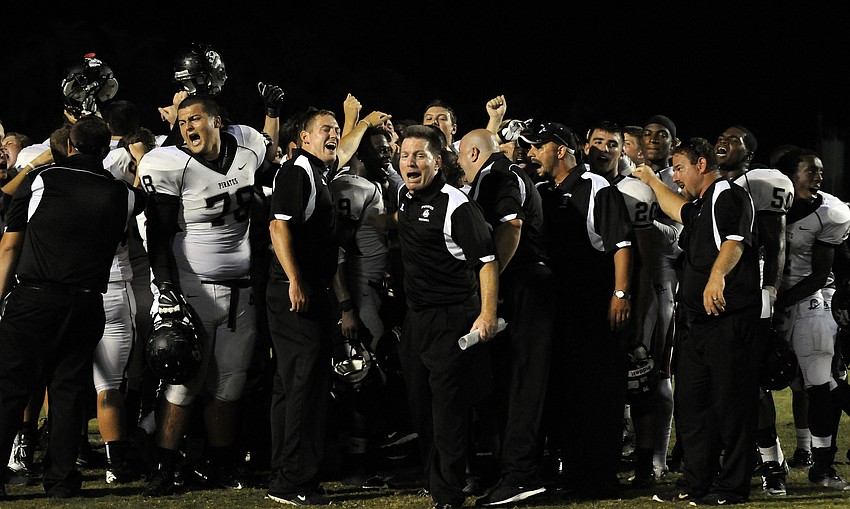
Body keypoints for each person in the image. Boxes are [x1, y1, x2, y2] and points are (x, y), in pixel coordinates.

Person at [138, 93, 276, 496]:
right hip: (192, 289)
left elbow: (268, 180)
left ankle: (223, 465)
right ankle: (164, 466)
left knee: (229, 385)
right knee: (183, 384)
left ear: (218, 120)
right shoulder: (170, 164)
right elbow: (158, 235)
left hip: (242, 291)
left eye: (195, 119)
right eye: (182, 123)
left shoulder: (248, 144)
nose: (187, 129)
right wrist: (166, 288)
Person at [0, 116, 144, 499]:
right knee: (68, 392)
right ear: (105, 148)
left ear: (69, 145)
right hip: (87, 301)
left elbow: (10, 245)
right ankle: (62, 481)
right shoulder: (121, 193)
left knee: (12, 389)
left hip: (36, 297)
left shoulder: (42, 179)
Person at [634, 137, 761, 506]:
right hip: (697, 323)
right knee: (693, 404)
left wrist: (717, 277)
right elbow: (679, 210)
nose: (675, 176)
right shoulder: (702, 205)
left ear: (701, 165)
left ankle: (732, 487)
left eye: (679, 167)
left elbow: (735, 241)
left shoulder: (729, 195)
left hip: (727, 319)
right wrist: (651, 181)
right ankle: (697, 481)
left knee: (732, 407)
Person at [526, 121, 633, 499]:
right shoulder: (541, 189)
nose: (531, 153)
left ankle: (600, 475)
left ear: (561, 149)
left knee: (597, 392)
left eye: (539, 147)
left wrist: (620, 293)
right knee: (563, 391)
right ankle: (570, 469)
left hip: (592, 306)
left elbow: (620, 243)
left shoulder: (596, 187)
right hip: (558, 309)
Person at [394, 124, 499, 509]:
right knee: (420, 406)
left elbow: (487, 263)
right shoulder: (404, 196)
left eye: (419, 155)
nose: (410, 162)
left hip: (453, 319)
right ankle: (435, 480)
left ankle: (449, 494)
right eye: (405, 155)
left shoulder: (458, 206)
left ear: (438, 162)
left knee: (448, 410)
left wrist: (487, 314)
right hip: (416, 319)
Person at [457, 128, 553, 506]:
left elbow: (511, 227)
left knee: (521, 381)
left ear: (475, 155)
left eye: (463, 158)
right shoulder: (499, 173)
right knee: (509, 380)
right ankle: (514, 470)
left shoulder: (498, 175)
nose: (460, 166)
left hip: (525, 286)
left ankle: (521, 475)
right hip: (527, 285)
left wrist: (489, 290)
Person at [582, 121, 670, 488]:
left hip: (632, 296)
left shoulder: (633, 190)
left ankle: (650, 460)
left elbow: (647, 260)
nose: (603, 149)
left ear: (623, 151)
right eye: (597, 142)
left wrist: (638, 306)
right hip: (590, 300)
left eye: (612, 144)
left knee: (645, 379)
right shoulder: (577, 187)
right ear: (585, 146)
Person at [264, 108, 340, 506]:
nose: (333, 135)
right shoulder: (299, 170)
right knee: (303, 388)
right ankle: (291, 481)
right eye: (325, 130)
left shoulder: (316, 170)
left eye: (337, 129)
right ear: (304, 139)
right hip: (296, 293)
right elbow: (279, 226)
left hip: (303, 291)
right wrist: (294, 278)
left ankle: (288, 472)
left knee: (292, 387)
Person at [715, 125, 795, 495]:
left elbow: (776, 241)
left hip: (749, 294)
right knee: (721, 385)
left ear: (749, 151)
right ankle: (735, 459)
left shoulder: (763, 181)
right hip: (711, 295)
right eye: (721, 137)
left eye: (733, 139)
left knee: (754, 385)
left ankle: (772, 462)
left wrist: (769, 290)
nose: (723, 142)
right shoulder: (710, 181)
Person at [773, 148, 850, 491]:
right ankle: (768, 463)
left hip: (809, 300)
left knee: (820, 380)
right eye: (811, 171)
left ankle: (822, 465)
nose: (818, 177)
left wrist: (777, 302)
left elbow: (820, 274)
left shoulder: (829, 211)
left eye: (820, 171)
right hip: (764, 299)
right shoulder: (761, 200)